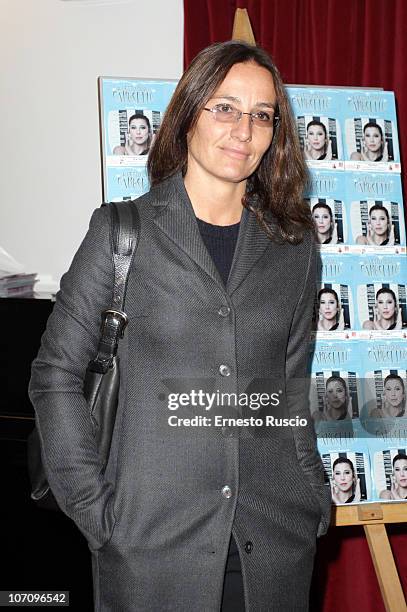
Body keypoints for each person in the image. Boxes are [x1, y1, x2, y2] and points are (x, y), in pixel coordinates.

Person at [29, 41, 331, 612]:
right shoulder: (122, 232)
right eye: (225, 107)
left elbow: (292, 385)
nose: (243, 129)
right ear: (188, 114)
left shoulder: (294, 248)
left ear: (275, 134)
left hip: (274, 541)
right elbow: (56, 374)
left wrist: (312, 489)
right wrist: (95, 511)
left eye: (262, 115)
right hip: (150, 545)